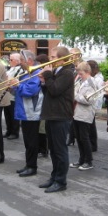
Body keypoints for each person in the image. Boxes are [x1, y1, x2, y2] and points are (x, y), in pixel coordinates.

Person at [38, 46, 74, 193]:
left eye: (53, 58)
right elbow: (49, 91)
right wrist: (43, 81)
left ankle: (61, 181)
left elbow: (55, 90)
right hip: (52, 113)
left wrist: (47, 76)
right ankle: (54, 177)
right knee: (53, 149)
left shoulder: (67, 72)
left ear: (61, 58)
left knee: (60, 150)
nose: (50, 60)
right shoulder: (56, 71)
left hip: (61, 115)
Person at [13, 50, 44, 177]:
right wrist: (14, 86)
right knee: (27, 142)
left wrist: (17, 86)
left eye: (21, 60)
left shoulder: (36, 73)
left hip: (31, 112)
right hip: (24, 111)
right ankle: (28, 164)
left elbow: (30, 91)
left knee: (31, 142)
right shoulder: (26, 73)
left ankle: (32, 166)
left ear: (30, 60)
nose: (20, 63)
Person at [69, 62, 97, 170]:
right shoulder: (81, 81)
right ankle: (81, 159)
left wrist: (75, 95)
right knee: (79, 137)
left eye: (81, 74)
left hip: (85, 113)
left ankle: (88, 161)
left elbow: (88, 100)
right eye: (78, 74)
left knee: (84, 138)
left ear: (88, 72)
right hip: (76, 112)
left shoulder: (91, 83)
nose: (79, 76)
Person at [3, 52, 23, 140]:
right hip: (7, 94)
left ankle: (15, 132)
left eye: (11, 60)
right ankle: (9, 130)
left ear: (17, 61)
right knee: (7, 114)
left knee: (13, 115)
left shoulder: (20, 70)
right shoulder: (11, 68)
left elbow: (18, 80)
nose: (9, 61)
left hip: (13, 94)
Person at [87, 60, 104, 152]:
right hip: (92, 102)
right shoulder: (95, 77)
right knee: (90, 124)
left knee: (91, 125)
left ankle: (93, 145)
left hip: (93, 103)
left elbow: (96, 91)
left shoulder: (98, 79)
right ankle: (91, 143)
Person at [36, 54, 49, 158]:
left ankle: (44, 150)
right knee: (39, 128)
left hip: (44, 103)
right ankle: (40, 148)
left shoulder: (46, 72)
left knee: (42, 129)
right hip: (38, 103)